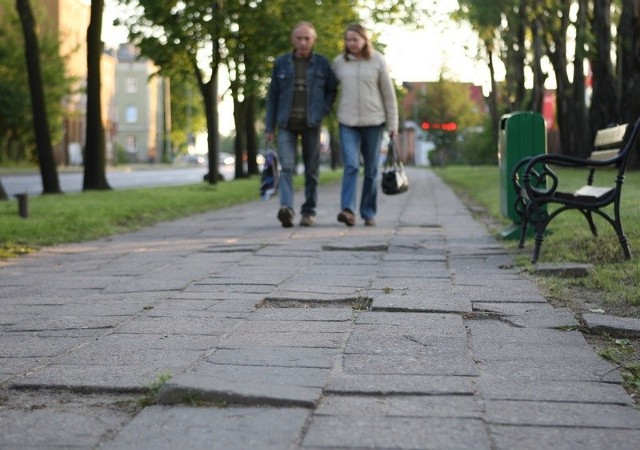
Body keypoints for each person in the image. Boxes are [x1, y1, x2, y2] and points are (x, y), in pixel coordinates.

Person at [264, 22, 337, 228]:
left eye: (307, 38)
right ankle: (286, 209)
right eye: (299, 38)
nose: (303, 42)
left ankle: (309, 212)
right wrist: (269, 127)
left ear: (314, 40)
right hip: (286, 123)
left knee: (311, 171)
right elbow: (273, 96)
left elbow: (332, 89)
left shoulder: (323, 64)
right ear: (292, 40)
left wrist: (323, 108)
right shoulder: (281, 63)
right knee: (286, 167)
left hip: (311, 124)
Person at [333, 23, 399, 227]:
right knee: (351, 165)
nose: (351, 43)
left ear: (364, 40)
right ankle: (348, 210)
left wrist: (393, 124)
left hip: (374, 121)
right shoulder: (339, 63)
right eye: (348, 40)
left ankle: (368, 212)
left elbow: (389, 95)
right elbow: (328, 90)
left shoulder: (377, 60)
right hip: (347, 121)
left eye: (355, 39)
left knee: (371, 169)